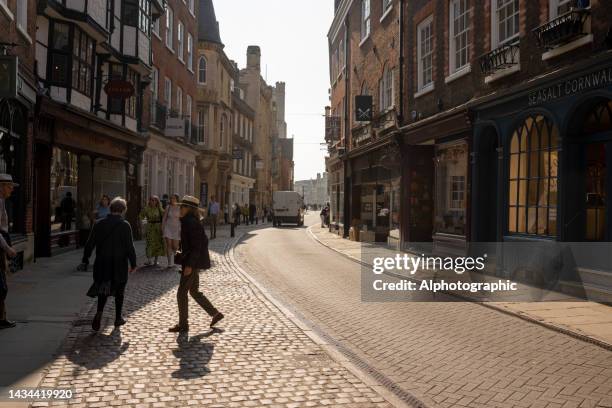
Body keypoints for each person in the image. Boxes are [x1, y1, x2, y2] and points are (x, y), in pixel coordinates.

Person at [169, 196, 224, 333]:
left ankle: (183, 324)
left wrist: (189, 265)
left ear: (189, 209)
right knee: (194, 291)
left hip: (192, 263)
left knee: (181, 293)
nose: (180, 209)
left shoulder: (191, 223)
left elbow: (197, 246)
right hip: (193, 262)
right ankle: (215, 314)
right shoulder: (190, 221)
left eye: (182, 207)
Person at [81, 197, 137, 331]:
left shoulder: (99, 224)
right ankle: (118, 318)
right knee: (119, 291)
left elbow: (90, 243)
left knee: (103, 289)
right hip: (119, 264)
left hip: (102, 262)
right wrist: (133, 263)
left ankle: (99, 312)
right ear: (123, 210)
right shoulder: (125, 225)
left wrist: (85, 258)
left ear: (110, 208)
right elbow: (130, 247)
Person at [0, 174, 18, 330]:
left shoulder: (3, 202)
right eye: (9, 186)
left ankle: (2, 317)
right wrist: (7, 248)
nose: (11, 189)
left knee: (2, 284)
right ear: (2, 186)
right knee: (1, 286)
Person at [139, 196, 166, 266]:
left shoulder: (159, 208)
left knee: (157, 243)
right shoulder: (146, 209)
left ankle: (155, 260)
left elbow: (165, 216)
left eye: (154, 200)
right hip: (150, 227)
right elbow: (141, 217)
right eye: (151, 200)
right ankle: (149, 260)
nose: (152, 201)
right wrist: (143, 225)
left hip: (158, 227)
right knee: (149, 243)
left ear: (157, 201)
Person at [162, 194, 181, 268]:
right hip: (168, 227)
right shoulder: (168, 207)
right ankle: (169, 262)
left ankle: (174, 258)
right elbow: (164, 218)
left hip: (177, 228)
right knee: (169, 244)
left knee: (175, 246)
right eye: (171, 198)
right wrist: (162, 227)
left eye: (174, 198)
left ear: (177, 199)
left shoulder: (180, 208)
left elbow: (182, 219)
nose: (172, 200)